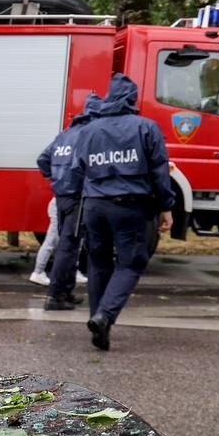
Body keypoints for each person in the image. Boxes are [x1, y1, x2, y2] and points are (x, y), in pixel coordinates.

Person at [75, 73, 174, 350]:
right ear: (132, 99)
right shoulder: (146, 127)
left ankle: (99, 324)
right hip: (131, 206)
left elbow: (77, 168)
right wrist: (166, 207)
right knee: (131, 263)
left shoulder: (89, 130)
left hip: (94, 205)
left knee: (98, 263)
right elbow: (160, 171)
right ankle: (104, 316)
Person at [33, 95, 98, 307]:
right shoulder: (89, 134)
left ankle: (67, 293)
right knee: (68, 247)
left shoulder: (66, 134)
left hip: (61, 197)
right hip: (77, 197)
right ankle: (55, 296)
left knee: (69, 244)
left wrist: (57, 178)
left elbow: (43, 159)